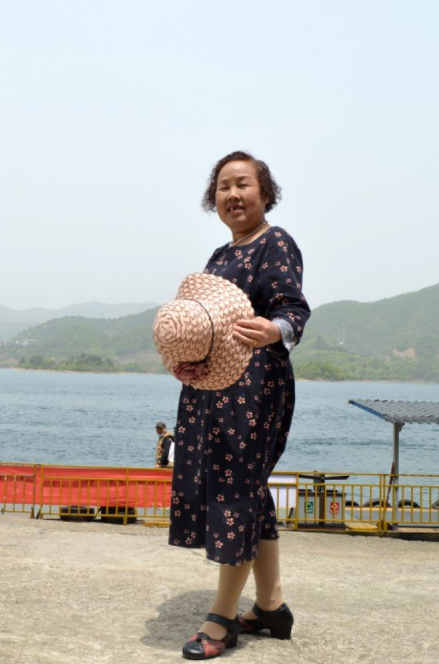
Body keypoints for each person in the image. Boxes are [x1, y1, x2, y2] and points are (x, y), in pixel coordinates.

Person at [168, 151, 311, 660]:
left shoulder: (275, 242)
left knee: (236, 495)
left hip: (253, 390)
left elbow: (293, 309)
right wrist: (188, 362)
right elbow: (204, 329)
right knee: (249, 492)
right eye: (223, 186)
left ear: (264, 193)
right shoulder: (219, 256)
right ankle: (271, 606)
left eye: (243, 184)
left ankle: (222, 618)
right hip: (213, 390)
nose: (232, 194)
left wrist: (275, 329)